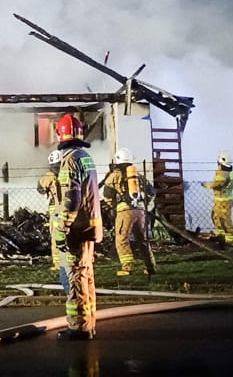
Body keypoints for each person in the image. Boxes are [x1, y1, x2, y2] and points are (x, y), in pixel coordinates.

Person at [52, 113, 102, 341]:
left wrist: (62, 230)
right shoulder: (85, 157)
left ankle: (77, 328)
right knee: (86, 276)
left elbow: (71, 200)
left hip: (76, 230)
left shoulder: (70, 160)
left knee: (75, 279)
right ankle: (88, 325)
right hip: (89, 228)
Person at [102, 147, 156, 276]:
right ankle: (150, 267)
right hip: (140, 211)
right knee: (142, 239)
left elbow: (107, 195)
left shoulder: (114, 176)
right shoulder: (138, 176)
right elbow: (151, 192)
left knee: (121, 238)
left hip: (124, 211)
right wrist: (144, 204)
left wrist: (114, 206)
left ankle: (127, 268)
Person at [37, 149, 69, 293]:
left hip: (55, 211)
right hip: (69, 209)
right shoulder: (69, 173)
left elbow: (39, 189)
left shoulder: (48, 176)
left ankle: (58, 264)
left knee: (56, 237)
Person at [202, 149, 233, 248]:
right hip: (221, 201)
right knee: (216, 218)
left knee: (225, 221)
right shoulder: (227, 171)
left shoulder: (222, 172)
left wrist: (205, 185)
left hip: (223, 201)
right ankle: (221, 237)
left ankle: (230, 241)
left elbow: (217, 185)